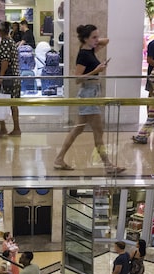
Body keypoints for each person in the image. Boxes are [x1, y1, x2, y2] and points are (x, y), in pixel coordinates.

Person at [53, 24, 125, 174]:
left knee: (79, 129)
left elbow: (107, 41)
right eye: (93, 37)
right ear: (85, 39)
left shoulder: (90, 49)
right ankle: (108, 165)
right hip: (88, 94)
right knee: (97, 130)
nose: (97, 40)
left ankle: (59, 158)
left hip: (92, 94)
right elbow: (77, 79)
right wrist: (96, 71)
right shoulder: (83, 55)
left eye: (97, 37)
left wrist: (94, 40)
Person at [0, 21, 21, 139]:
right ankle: (14, 128)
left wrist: (1, 75)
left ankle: (5, 128)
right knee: (12, 103)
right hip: (12, 77)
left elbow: (5, 61)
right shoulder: (11, 41)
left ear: (0, 31)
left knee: (1, 102)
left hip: (7, 78)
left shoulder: (5, 43)